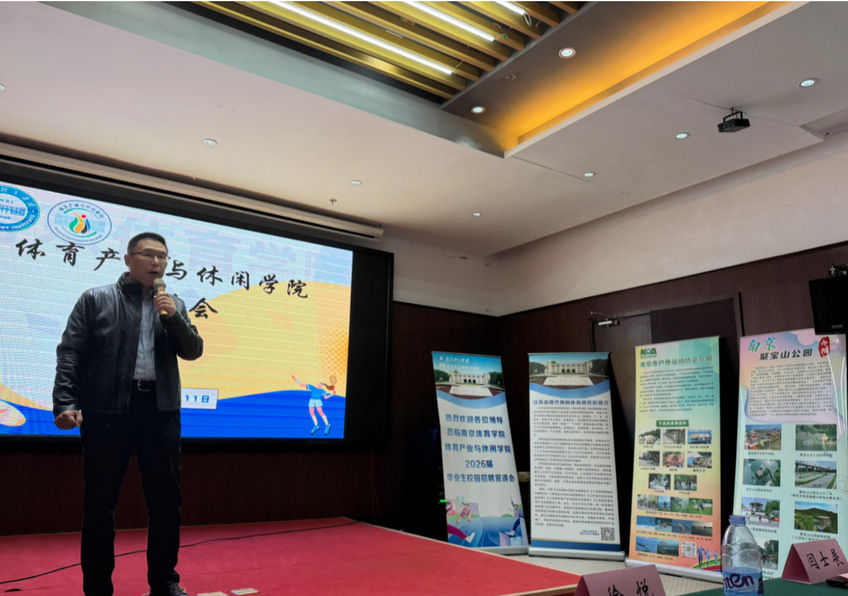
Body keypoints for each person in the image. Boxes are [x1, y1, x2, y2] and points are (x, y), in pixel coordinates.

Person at [53, 232, 203, 596]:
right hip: (107, 411)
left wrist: (173, 318)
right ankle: (98, 587)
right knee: (100, 504)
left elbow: (193, 350)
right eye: (148, 254)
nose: (156, 262)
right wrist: (65, 402)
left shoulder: (175, 304)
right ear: (127, 259)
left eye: (163, 257)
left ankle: (164, 582)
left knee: (166, 502)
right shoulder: (95, 299)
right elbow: (71, 352)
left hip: (160, 411)